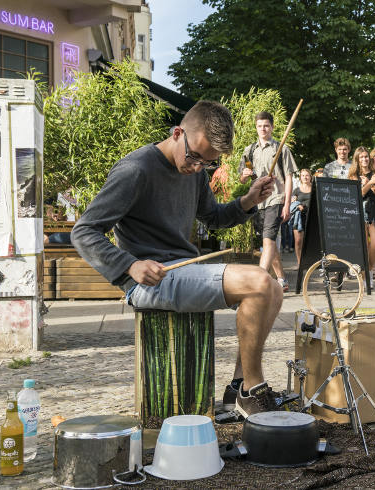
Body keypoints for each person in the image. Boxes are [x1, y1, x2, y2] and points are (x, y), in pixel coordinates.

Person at [72, 100, 282, 416]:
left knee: (274, 290)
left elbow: (212, 216)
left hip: (184, 270)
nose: (197, 167)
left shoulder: (194, 170)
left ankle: (239, 386)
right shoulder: (135, 170)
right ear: (177, 132)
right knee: (259, 281)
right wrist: (129, 265)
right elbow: (84, 231)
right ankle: (253, 388)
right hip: (147, 281)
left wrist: (248, 200)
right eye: (195, 156)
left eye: (207, 163)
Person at [239, 111, 297, 292]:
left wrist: (287, 203)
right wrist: (245, 175)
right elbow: (243, 178)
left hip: (276, 198)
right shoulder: (250, 151)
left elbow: (289, 178)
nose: (263, 129)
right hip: (258, 201)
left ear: (271, 127)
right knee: (268, 243)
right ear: (256, 127)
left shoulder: (281, 149)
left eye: (266, 125)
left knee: (268, 240)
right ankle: (281, 279)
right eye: (259, 126)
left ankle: (259, 279)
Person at [348, 146, 375, 283]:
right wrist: (369, 183)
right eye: (361, 157)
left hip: (374, 211)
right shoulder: (353, 175)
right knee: (363, 245)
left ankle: (369, 269)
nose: (364, 159)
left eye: (366, 156)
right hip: (359, 211)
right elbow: (359, 193)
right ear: (357, 159)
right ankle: (364, 275)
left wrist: (373, 185)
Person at [291, 168, 312, 265]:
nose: (305, 177)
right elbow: (292, 203)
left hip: (311, 217)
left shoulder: (314, 189)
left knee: (310, 242)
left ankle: (310, 263)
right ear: (300, 177)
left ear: (310, 177)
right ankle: (300, 263)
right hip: (298, 218)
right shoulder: (296, 190)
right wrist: (296, 204)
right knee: (298, 241)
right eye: (303, 175)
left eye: (307, 175)